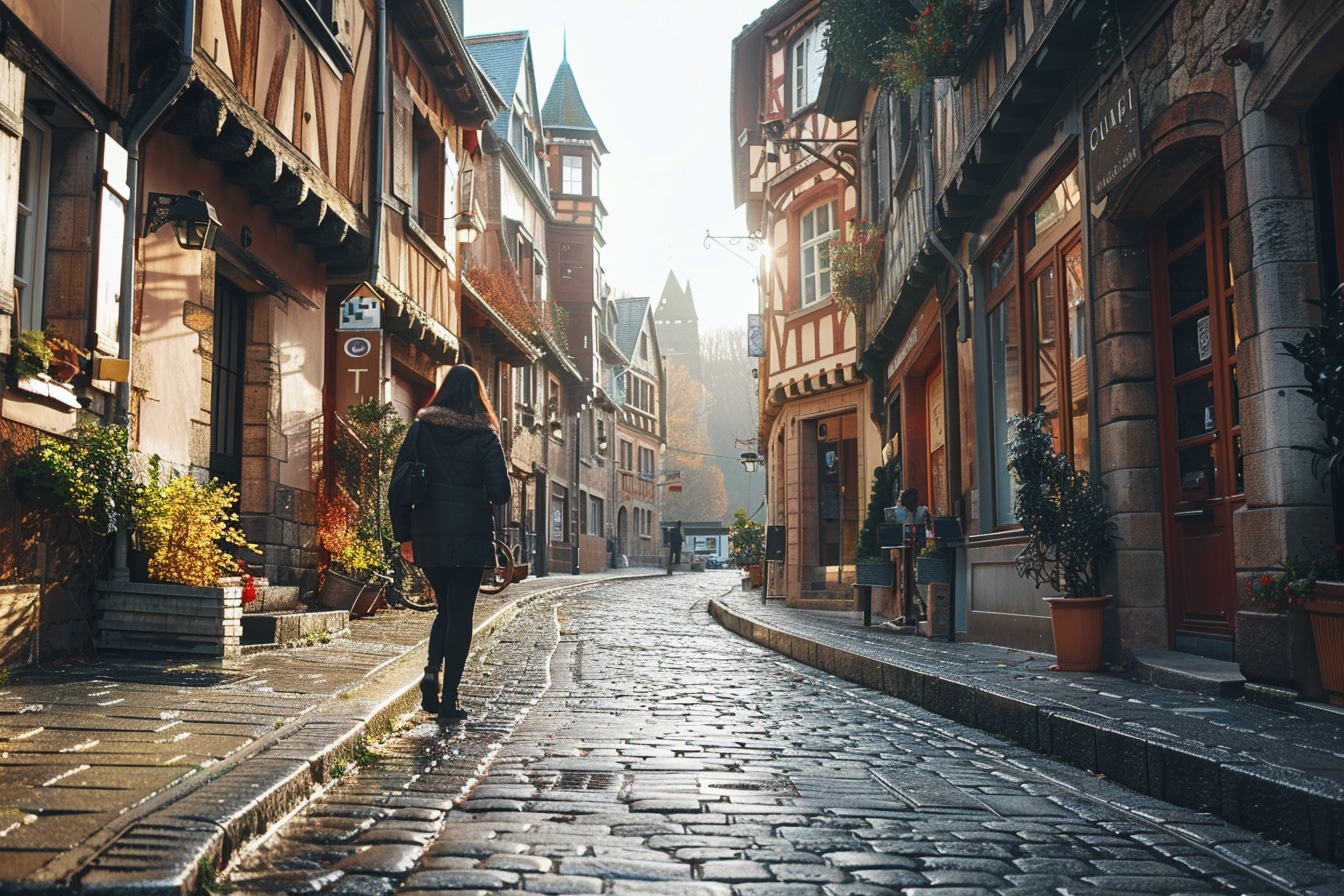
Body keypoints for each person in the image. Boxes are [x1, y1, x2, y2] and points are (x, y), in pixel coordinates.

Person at [390, 365, 510, 722]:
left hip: (429, 532)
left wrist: (404, 537)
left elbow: (397, 489)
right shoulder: (485, 436)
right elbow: (501, 493)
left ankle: (431, 671)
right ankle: (449, 701)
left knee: (444, 609)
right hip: (471, 535)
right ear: (477, 396)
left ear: (443, 392)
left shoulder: (420, 430)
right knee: (461, 615)